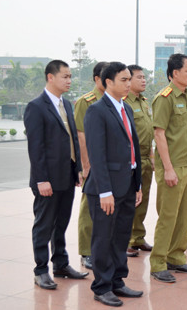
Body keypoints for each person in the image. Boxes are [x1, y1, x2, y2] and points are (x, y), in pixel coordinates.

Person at [84, 62, 143, 306]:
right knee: (103, 238)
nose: (128, 83)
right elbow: (96, 155)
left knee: (121, 237)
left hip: (127, 184)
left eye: (130, 79)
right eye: (123, 79)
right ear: (108, 82)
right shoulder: (97, 111)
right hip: (105, 189)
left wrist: (137, 184)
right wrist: (105, 191)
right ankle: (101, 286)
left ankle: (117, 281)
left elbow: (133, 148)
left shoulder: (126, 109)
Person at [24, 60, 88, 290]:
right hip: (47, 180)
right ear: (50, 77)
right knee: (44, 225)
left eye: (70, 76)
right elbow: (36, 147)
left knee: (61, 223)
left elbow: (72, 139)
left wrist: (78, 169)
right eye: (65, 76)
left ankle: (61, 264)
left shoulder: (67, 105)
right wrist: (41, 179)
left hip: (66, 176)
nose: (69, 80)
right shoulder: (36, 106)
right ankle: (41, 270)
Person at [150, 54, 187, 283]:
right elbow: (159, 134)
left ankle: (176, 257)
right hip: (171, 167)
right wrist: (168, 168)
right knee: (168, 216)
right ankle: (158, 262)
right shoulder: (165, 98)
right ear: (175, 73)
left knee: (184, 217)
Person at [74, 61, 109, 269]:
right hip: (93, 166)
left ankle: (103, 248)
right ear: (97, 80)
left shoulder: (115, 100)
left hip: (110, 164)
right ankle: (86, 251)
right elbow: (81, 135)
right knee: (89, 208)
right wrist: (86, 166)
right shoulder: (86, 102)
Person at [124, 65, 154, 257]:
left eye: (144, 77)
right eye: (139, 77)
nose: (143, 80)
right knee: (129, 201)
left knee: (143, 200)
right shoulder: (125, 102)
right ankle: (125, 240)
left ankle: (138, 237)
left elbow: (148, 131)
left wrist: (151, 156)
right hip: (130, 158)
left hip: (145, 157)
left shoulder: (144, 102)